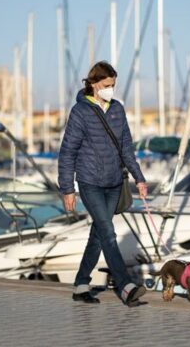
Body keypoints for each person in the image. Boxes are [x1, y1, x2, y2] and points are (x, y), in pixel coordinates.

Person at [58, 61, 148, 306]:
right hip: (90, 183)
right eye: (107, 85)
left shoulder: (117, 109)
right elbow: (67, 152)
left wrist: (139, 177)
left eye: (113, 85)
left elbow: (126, 148)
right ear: (95, 84)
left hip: (114, 182)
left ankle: (80, 284)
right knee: (108, 233)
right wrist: (67, 188)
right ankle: (125, 285)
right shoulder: (80, 112)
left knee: (98, 235)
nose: (111, 89)